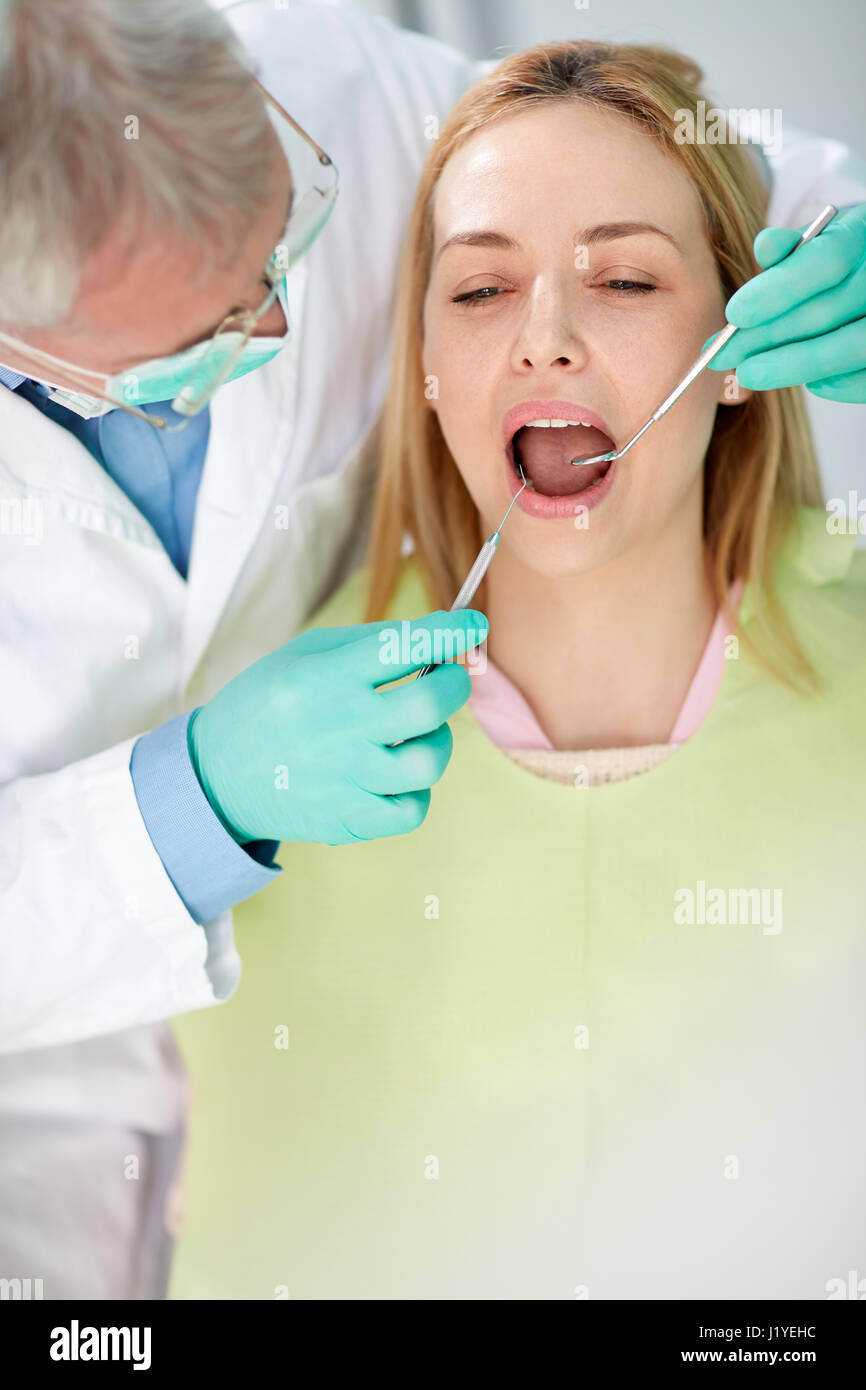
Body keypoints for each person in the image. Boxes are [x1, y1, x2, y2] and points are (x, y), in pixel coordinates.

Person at [0, 0, 863, 1297]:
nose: (288, 325)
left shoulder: (337, 80)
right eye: (204, 337)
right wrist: (191, 806)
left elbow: (675, 176)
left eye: (286, 242)